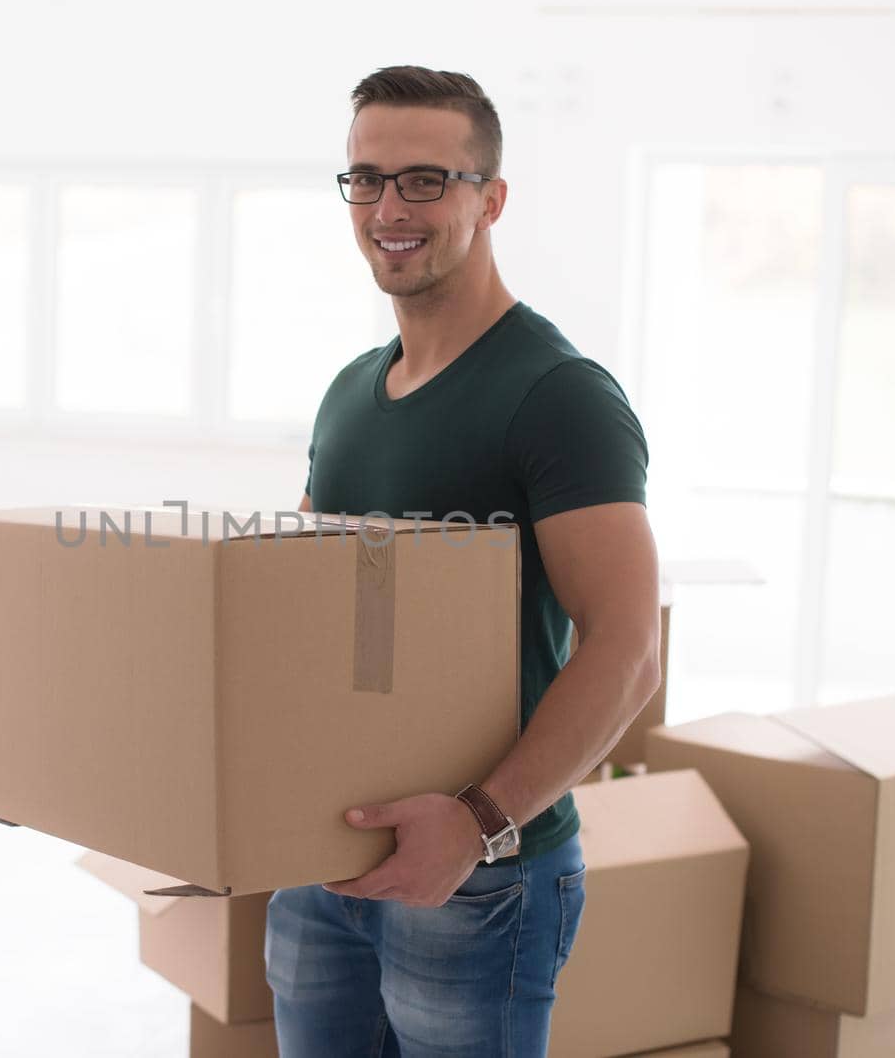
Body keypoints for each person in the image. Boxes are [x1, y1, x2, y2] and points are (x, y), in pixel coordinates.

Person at [263, 65, 662, 1058]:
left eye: (424, 180)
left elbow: (625, 649)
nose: (388, 208)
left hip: (481, 875)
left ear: (491, 199)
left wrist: (478, 823)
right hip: (326, 853)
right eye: (365, 179)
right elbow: (299, 609)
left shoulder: (558, 393)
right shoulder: (350, 392)